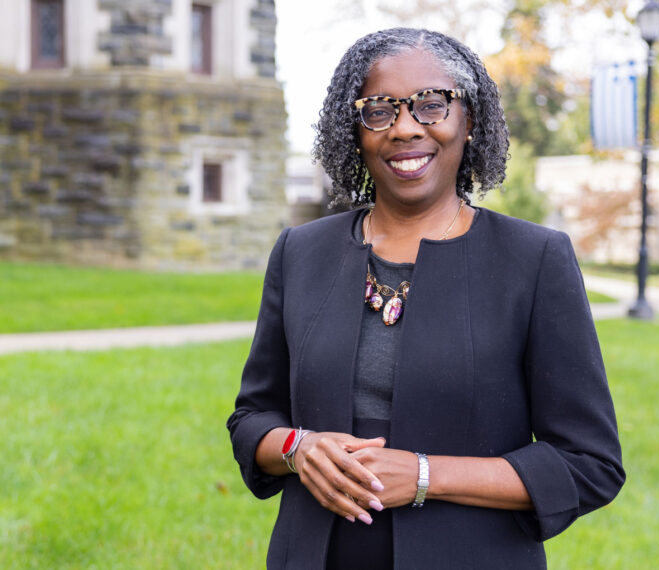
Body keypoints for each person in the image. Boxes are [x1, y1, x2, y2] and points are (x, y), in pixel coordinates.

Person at [227, 28, 624, 569]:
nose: (406, 128)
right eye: (379, 111)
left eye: (432, 105)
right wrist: (299, 449)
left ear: (470, 119)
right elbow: (253, 415)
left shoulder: (534, 260)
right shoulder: (302, 251)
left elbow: (587, 463)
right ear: (355, 130)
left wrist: (423, 476)